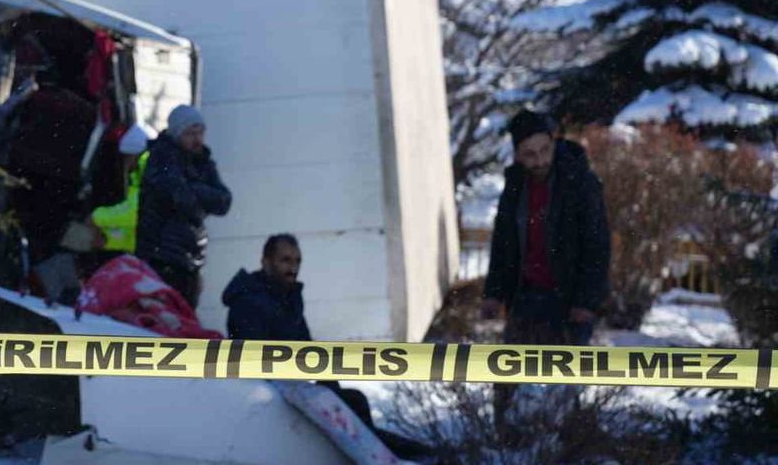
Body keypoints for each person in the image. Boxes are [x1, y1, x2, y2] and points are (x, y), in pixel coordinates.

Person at [222, 234, 433, 462]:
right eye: (285, 260)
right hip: (269, 395)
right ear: (266, 262)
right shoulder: (249, 302)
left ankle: (415, 454)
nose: (293, 268)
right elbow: (257, 362)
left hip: (295, 387)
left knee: (354, 402)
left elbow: (307, 348)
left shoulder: (287, 297)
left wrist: (330, 384)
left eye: (297, 261)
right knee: (348, 408)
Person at [479, 109, 611, 430]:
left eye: (544, 150)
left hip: (567, 298)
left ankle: (566, 443)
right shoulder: (515, 185)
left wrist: (586, 302)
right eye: (530, 154)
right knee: (509, 374)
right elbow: (504, 243)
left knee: (562, 384)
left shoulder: (579, 182)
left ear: (553, 143)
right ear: (518, 155)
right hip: (526, 294)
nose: (539, 160)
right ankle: (506, 440)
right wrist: (494, 293)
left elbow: (597, 246)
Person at [136, 104, 231, 309]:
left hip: (191, 260)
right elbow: (180, 198)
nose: (197, 139)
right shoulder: (162, 157)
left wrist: (194, 188)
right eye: (190, 133)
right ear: (177, 133)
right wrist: (201, 195)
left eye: (200, 133)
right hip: (162, 257)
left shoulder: (204, 163)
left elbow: (224, 201)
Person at [90, 122, 155, 254]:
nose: (126, 164)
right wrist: (108, 240)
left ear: (135, 155)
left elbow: (136, 214)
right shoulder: (140, 179)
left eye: (127, 158)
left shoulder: (150, 179)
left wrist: (96, 217)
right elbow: (135, 235)